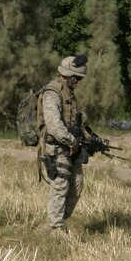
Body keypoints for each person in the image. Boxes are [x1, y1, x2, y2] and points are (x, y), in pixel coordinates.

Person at [38, 54, 91, 232]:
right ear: (68, 75)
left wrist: (88, 138)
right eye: (77, 78)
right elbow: (54, 125)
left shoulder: (70, 93)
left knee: (77, 183)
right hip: (56, 146)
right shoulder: (52, 92)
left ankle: (60, 221)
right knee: (60, 185)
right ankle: (55, 226)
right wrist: (71, 140)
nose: (78, 82)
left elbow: (77, 120)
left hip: (70, 146)